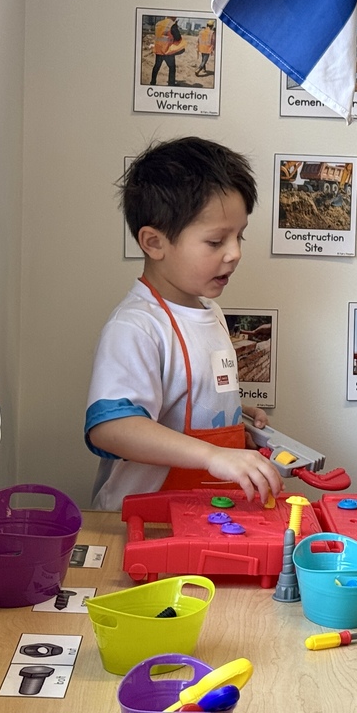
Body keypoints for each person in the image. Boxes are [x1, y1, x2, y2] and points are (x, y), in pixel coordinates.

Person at [85, 137, 284, 512]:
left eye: (239, 236)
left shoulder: (212, 312)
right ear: (154, 242)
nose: (235, 253)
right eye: (215, 241)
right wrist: (213, 455)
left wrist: (236, 424)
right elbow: (110, 428)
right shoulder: (136, 327)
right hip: (144, 519)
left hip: (203, 515)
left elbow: (184, 403)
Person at [149, 15, 184, 86]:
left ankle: (152, 83)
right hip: (167, 50)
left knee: (156, 66)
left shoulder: (158, 23)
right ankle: (171, 83)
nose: (176, 18)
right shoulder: (172, 24)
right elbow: (178, 37)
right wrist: (176, 28)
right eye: (176, 16)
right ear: (173, 16)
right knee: (172, 67)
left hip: (158, 49)